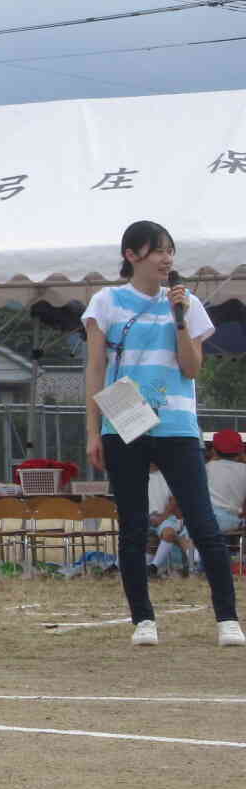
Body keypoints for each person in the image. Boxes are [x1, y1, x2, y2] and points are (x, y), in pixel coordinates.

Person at [83, 219, 241, 648]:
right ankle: (143, 620)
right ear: (132, 255)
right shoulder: (106, 301)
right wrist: (93, 431)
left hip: (177, 426)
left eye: (170, 250)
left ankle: (227, 618)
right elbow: (95, 369)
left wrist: (181, 319)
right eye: (157, 250)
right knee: (134, 526)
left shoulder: (185, 302)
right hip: (124, 424)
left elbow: (192, 368)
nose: (166, 258)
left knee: (203, 521)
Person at [207, 429, 246, 534]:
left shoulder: (207, 468)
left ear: (214, 450)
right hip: (233, 522)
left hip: (208, 520)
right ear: (240, 451)